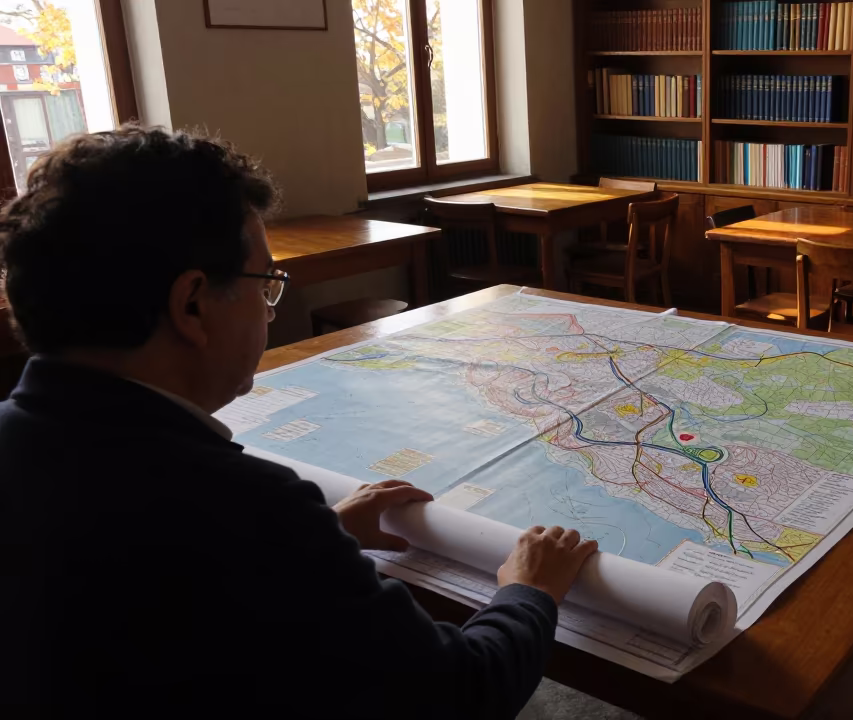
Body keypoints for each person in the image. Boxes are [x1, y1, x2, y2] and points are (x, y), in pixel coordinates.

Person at [0, 126, 598, 718]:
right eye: (266, 284)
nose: (268, 308)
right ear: (192, 305)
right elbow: (464, 691)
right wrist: (530, 589)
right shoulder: (248, 511)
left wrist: (316, 538)